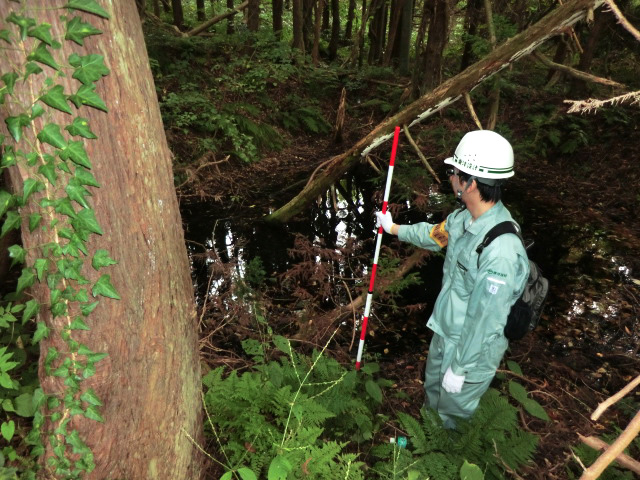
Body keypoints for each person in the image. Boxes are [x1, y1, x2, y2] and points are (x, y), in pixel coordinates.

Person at [375, 130, 529, 429]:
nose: (450, 178)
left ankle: (444, 459)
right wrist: (393, 228)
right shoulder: (464, 218)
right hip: (446, 329)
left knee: (453, 415)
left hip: (472, 349)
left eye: (453, 172)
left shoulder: (501, 251)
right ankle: (424, 444)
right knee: (433, 394)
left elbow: (486, 319)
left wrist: (461, 367)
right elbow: (434, 235)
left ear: (470, 183)